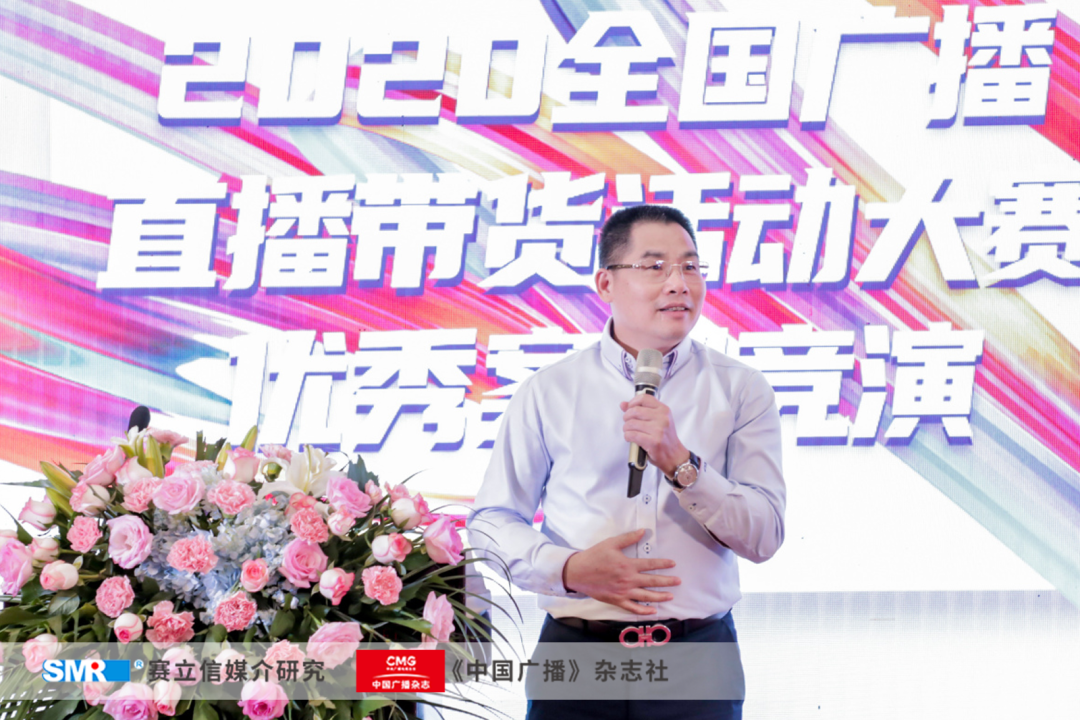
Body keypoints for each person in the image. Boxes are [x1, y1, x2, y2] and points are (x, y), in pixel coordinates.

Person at [467, 204, 786, 720]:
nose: (679, 283)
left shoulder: (741, 389)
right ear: (606, 283)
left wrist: (682, 464)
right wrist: (568, 569)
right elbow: (490, 521)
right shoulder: (549, 391)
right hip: (577, 656)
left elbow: (765, 535)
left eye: (690, 267)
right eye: (655, 266)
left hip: (698, 658)